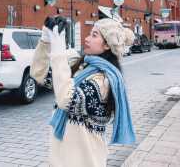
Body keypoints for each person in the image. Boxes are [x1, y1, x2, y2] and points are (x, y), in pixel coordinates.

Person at [30, 17, 135, 167]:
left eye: (94, 35)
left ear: (107, 45)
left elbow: (66, 99)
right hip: (61, 159)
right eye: (89, 34)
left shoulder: (104, 81)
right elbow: (39, 74)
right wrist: (46, 41)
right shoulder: (82, 67)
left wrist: (58, 51)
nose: (87, 38)